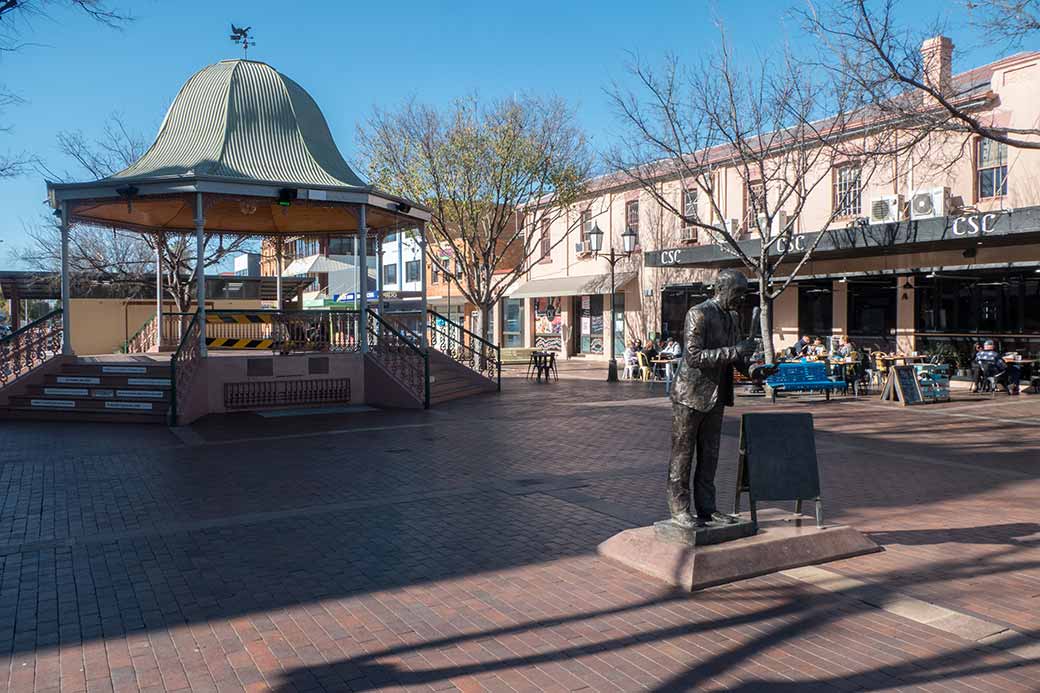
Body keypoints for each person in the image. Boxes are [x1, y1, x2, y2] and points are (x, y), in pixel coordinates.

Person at [668, 269, 756, 529]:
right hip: (690, 396)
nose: (741, 299)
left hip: (715, 396)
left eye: (743, 293)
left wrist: (753, 370)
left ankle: (707, 508)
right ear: (721, 289)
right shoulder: (698, 313)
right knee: (683, 456)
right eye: (737, 293)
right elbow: (694, 357)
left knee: (710, 456)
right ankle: (680, 509)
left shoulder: (732, 317)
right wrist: (734, 351)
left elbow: (737, 359)